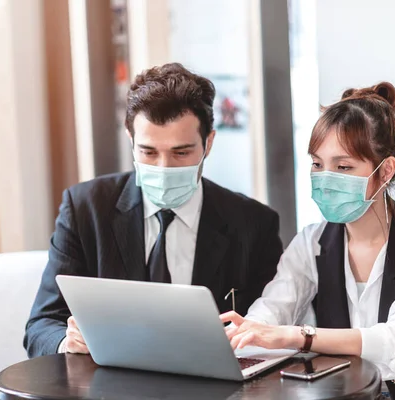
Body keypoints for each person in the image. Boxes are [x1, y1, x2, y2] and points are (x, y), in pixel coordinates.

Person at [220, 82, 395, 399]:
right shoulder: (311, 243)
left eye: (343, 167)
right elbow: (272, 311)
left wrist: (298, 336)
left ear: (385, 172)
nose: (325, 179)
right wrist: (247, 333)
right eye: (317, 164)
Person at [24, 63, 283, 358]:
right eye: (148, 152)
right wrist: (67, 342)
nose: (163, 168)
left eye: (181, 152)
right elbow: (41, 326)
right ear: (131, 139)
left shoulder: (253, 224)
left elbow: (271, 329)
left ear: (208, 143)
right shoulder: (85, 208)